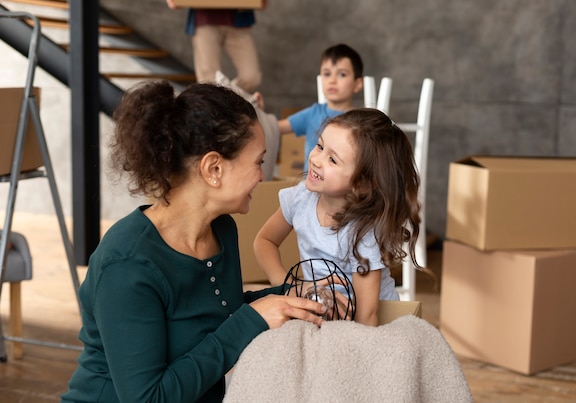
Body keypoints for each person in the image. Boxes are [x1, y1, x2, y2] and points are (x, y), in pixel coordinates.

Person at [60, 81, 329, 403]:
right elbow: (148, 398)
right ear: (213, 168)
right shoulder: (127, 265)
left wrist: (289, 296)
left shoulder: (222, 229)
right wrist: (253, 319)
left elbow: (213, 311)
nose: (262, 176)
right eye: (258, 161)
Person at [254, 108, 425, 326]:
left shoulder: (363, 232)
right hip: (325, 311)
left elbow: (367, 316)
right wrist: (287, 287)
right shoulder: (300, 198)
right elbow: (265, 241)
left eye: (332, 160)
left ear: (361, 184)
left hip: (373, 321)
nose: (316, 159)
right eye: (320, 146)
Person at [256, 43, 364, 172]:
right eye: (327, 74)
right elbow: (273, 128)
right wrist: (259, 111)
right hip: (311, 185)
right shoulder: (313, 113)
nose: (332, 80)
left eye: (342, 74)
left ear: (357, 84)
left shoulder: (361, 121)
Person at [166, 0, 264, 92]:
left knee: (251, 77)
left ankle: (224, 99)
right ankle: (219, 101)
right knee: (208, 81)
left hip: (238, 20)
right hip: (205, 20)